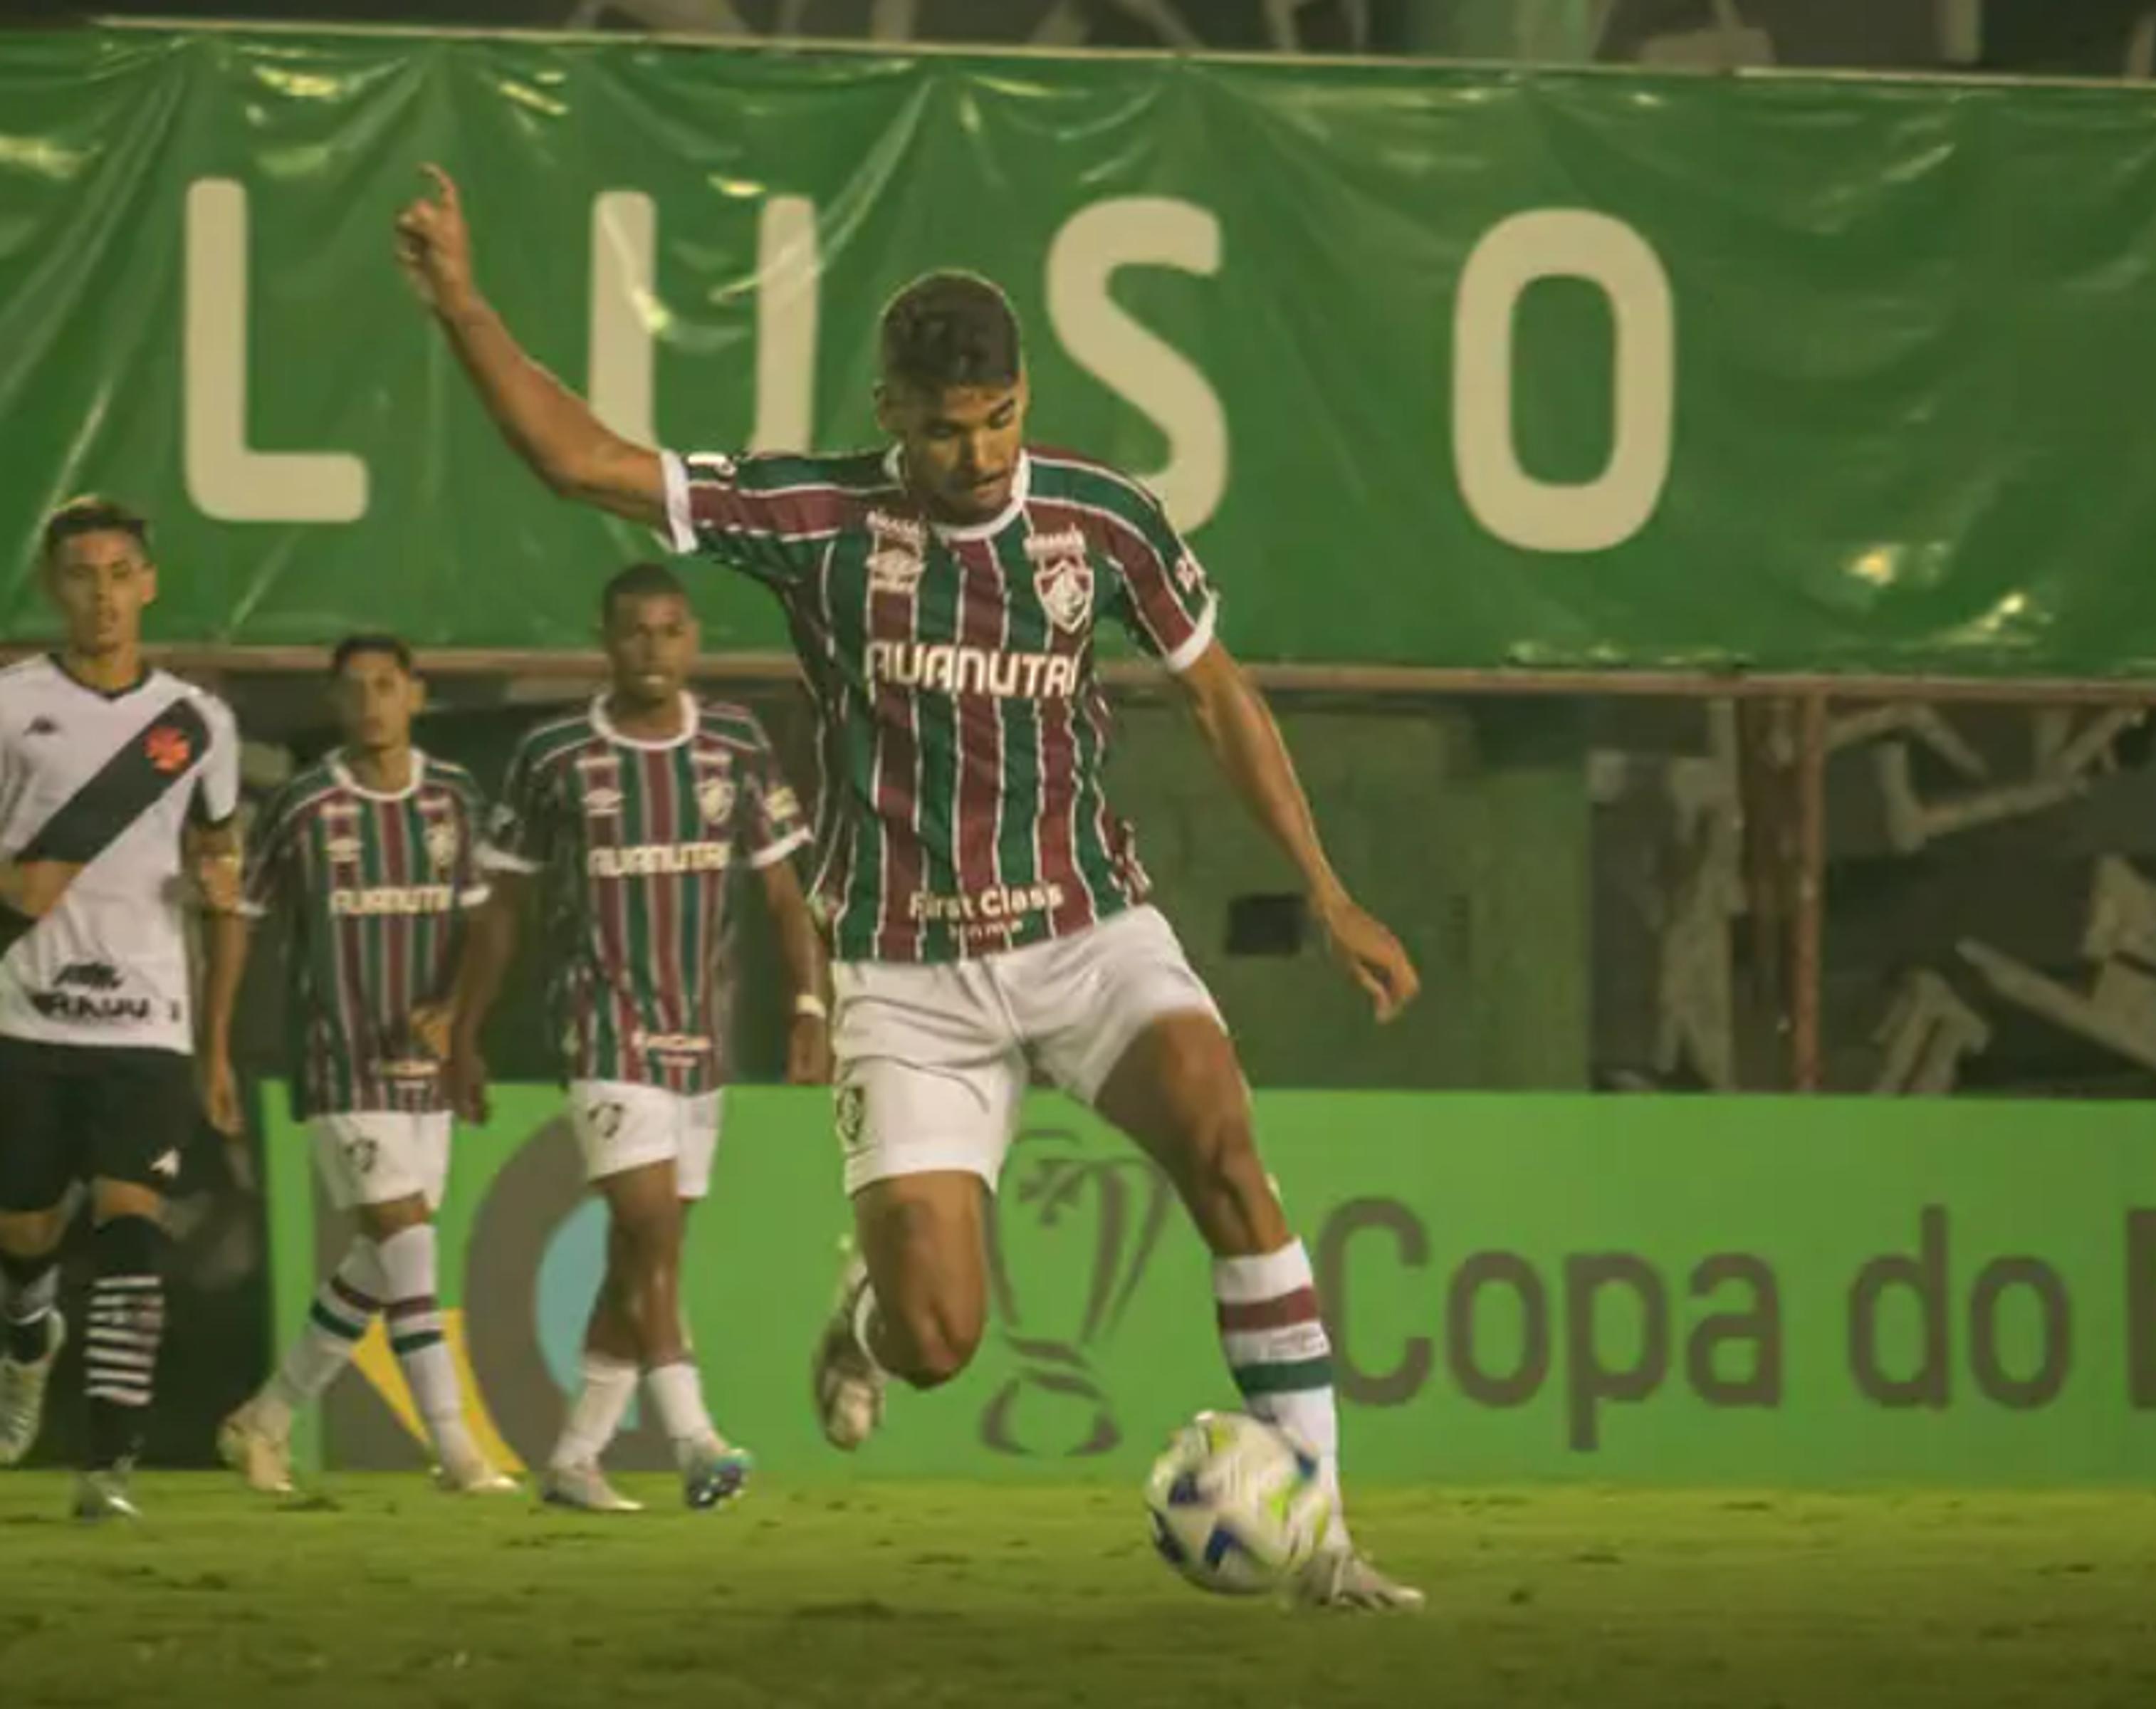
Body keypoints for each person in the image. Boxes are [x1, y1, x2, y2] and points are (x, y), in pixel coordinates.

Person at [396, 167, 1426, 1606]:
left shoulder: (1102, 521)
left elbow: (1218, 699)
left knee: (1225, 1148)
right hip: (906, 977)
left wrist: (1327, 889)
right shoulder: (814, 520)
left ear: (1026, 397)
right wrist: (458, 303)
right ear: (891, 415)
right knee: (937, 1342)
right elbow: (586, 463)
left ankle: (1321, 1541)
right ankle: (861, 1309)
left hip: (1086, 930)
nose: (981, 453)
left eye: (1001, 420)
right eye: (946, 431)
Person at [444, 563, 824, 1513]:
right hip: (601, 1024)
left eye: (668, 630)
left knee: (645, 1255)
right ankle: (696, 1439)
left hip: (705, 1033)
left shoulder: (736, 744)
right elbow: (504, 906)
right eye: (633, 631)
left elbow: (786, 895)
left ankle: (575, 1458)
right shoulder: (555, 754)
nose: (651, 647)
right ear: (605, 641)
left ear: (691, 640)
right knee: (646, 1227)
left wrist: (812, 1006)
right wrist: (463, 1029)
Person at [213, 634, 516, 1497]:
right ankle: (456, 1451)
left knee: (381, 1269)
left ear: (416, 695)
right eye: (356, 690)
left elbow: (483, 930)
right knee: (411, 1244)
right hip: (339, 1061)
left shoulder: (455, 799)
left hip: (424, 1072)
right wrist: (222, 1047)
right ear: (337, 705)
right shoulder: (303, 808)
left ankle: (263, 1419)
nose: (373, 702)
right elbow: (243, 915)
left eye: (388, 686)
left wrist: (458, 1023)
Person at [0, 496, 244, 1520]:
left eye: (119, 574)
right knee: (24, 1236)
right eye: (82, 575)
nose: (102, 595)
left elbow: (223, 877)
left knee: (133, 1234)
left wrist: (219, 1044)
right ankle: (26, 1343)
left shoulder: (197, 724)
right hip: (25, 1017)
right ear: (57, 586)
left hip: (147, 1024)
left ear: (147, 583)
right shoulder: (11, 705)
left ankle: (108, 1467)